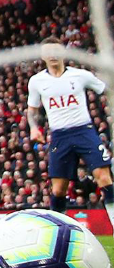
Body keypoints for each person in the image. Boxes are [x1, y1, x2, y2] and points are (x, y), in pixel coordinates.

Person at [27, 37, 112, 219]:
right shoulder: (36, 81)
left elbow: (106, 89)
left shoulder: (80, 75)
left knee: (104, 178)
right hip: (60, 136)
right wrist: (34, 128)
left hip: (84, 131)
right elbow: (32, 111)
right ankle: (56, 228)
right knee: (58, 190)